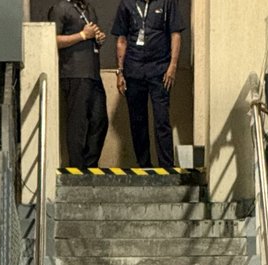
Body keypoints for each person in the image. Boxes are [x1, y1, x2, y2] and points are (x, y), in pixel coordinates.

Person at [112, 0, 186, 170]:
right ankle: (144, 165)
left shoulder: (167, 2)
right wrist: (120, 72)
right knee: (138, 121)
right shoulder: (127, 4)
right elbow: (121, 40)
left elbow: (176, 35)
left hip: (159, 70)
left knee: (162, 120)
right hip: (134, 70)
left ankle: (166, 167)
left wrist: (173, 66)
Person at [49, 1, 108, 169]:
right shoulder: (60, 8)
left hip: (93, 73)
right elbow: (52, 40)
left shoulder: (89, 9)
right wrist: (82, 35)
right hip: (74, 73)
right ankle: (77, 167)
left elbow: (91, 36)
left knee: (100, 120)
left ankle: (90, 165)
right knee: (78, 123)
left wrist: (98, 39)